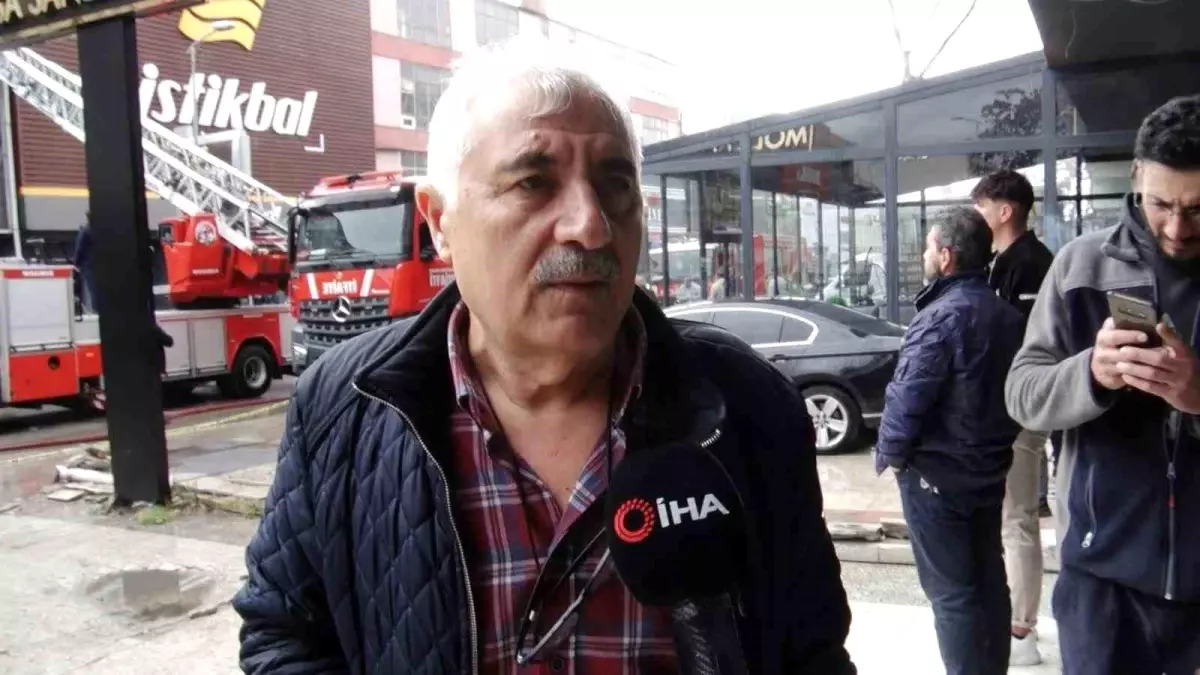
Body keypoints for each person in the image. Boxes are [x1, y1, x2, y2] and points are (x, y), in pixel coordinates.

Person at [232, 38, 856, 675]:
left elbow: (811, 654)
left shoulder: (747, 405)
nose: (590, 225)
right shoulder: (343, 408)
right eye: (533, 182)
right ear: (439, 221)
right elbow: (284, 637)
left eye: (615, 184)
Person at [1005, 94, 1200, 674]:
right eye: (1162, 203)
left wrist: (1196, 396)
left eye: (1198, 208)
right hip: (1100, 579)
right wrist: (1090, 373)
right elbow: (1022, 394)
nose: (1177, 227)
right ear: (1137, 176)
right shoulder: (1079, 265)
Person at [874, 206, 1024, 675]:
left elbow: (906, 397)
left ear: (945, 256)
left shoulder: (939, 318)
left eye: (927, 248)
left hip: (936, 479)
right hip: (988, 472)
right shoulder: (1009, 316)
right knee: (989, 580)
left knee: (953, 595)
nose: (924, 256)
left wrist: (891, 456)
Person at [970, 168, 1055, 667]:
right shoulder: (1002, 262)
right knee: (1008, 516)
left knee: (1017, 517)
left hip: (1021, 407)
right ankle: (1016, 621)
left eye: (981, 207)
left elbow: (1021, 344)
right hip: (1006, 407)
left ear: (1004, 212)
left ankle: (1021, 630)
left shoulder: (1031, 265)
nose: (976, 216)